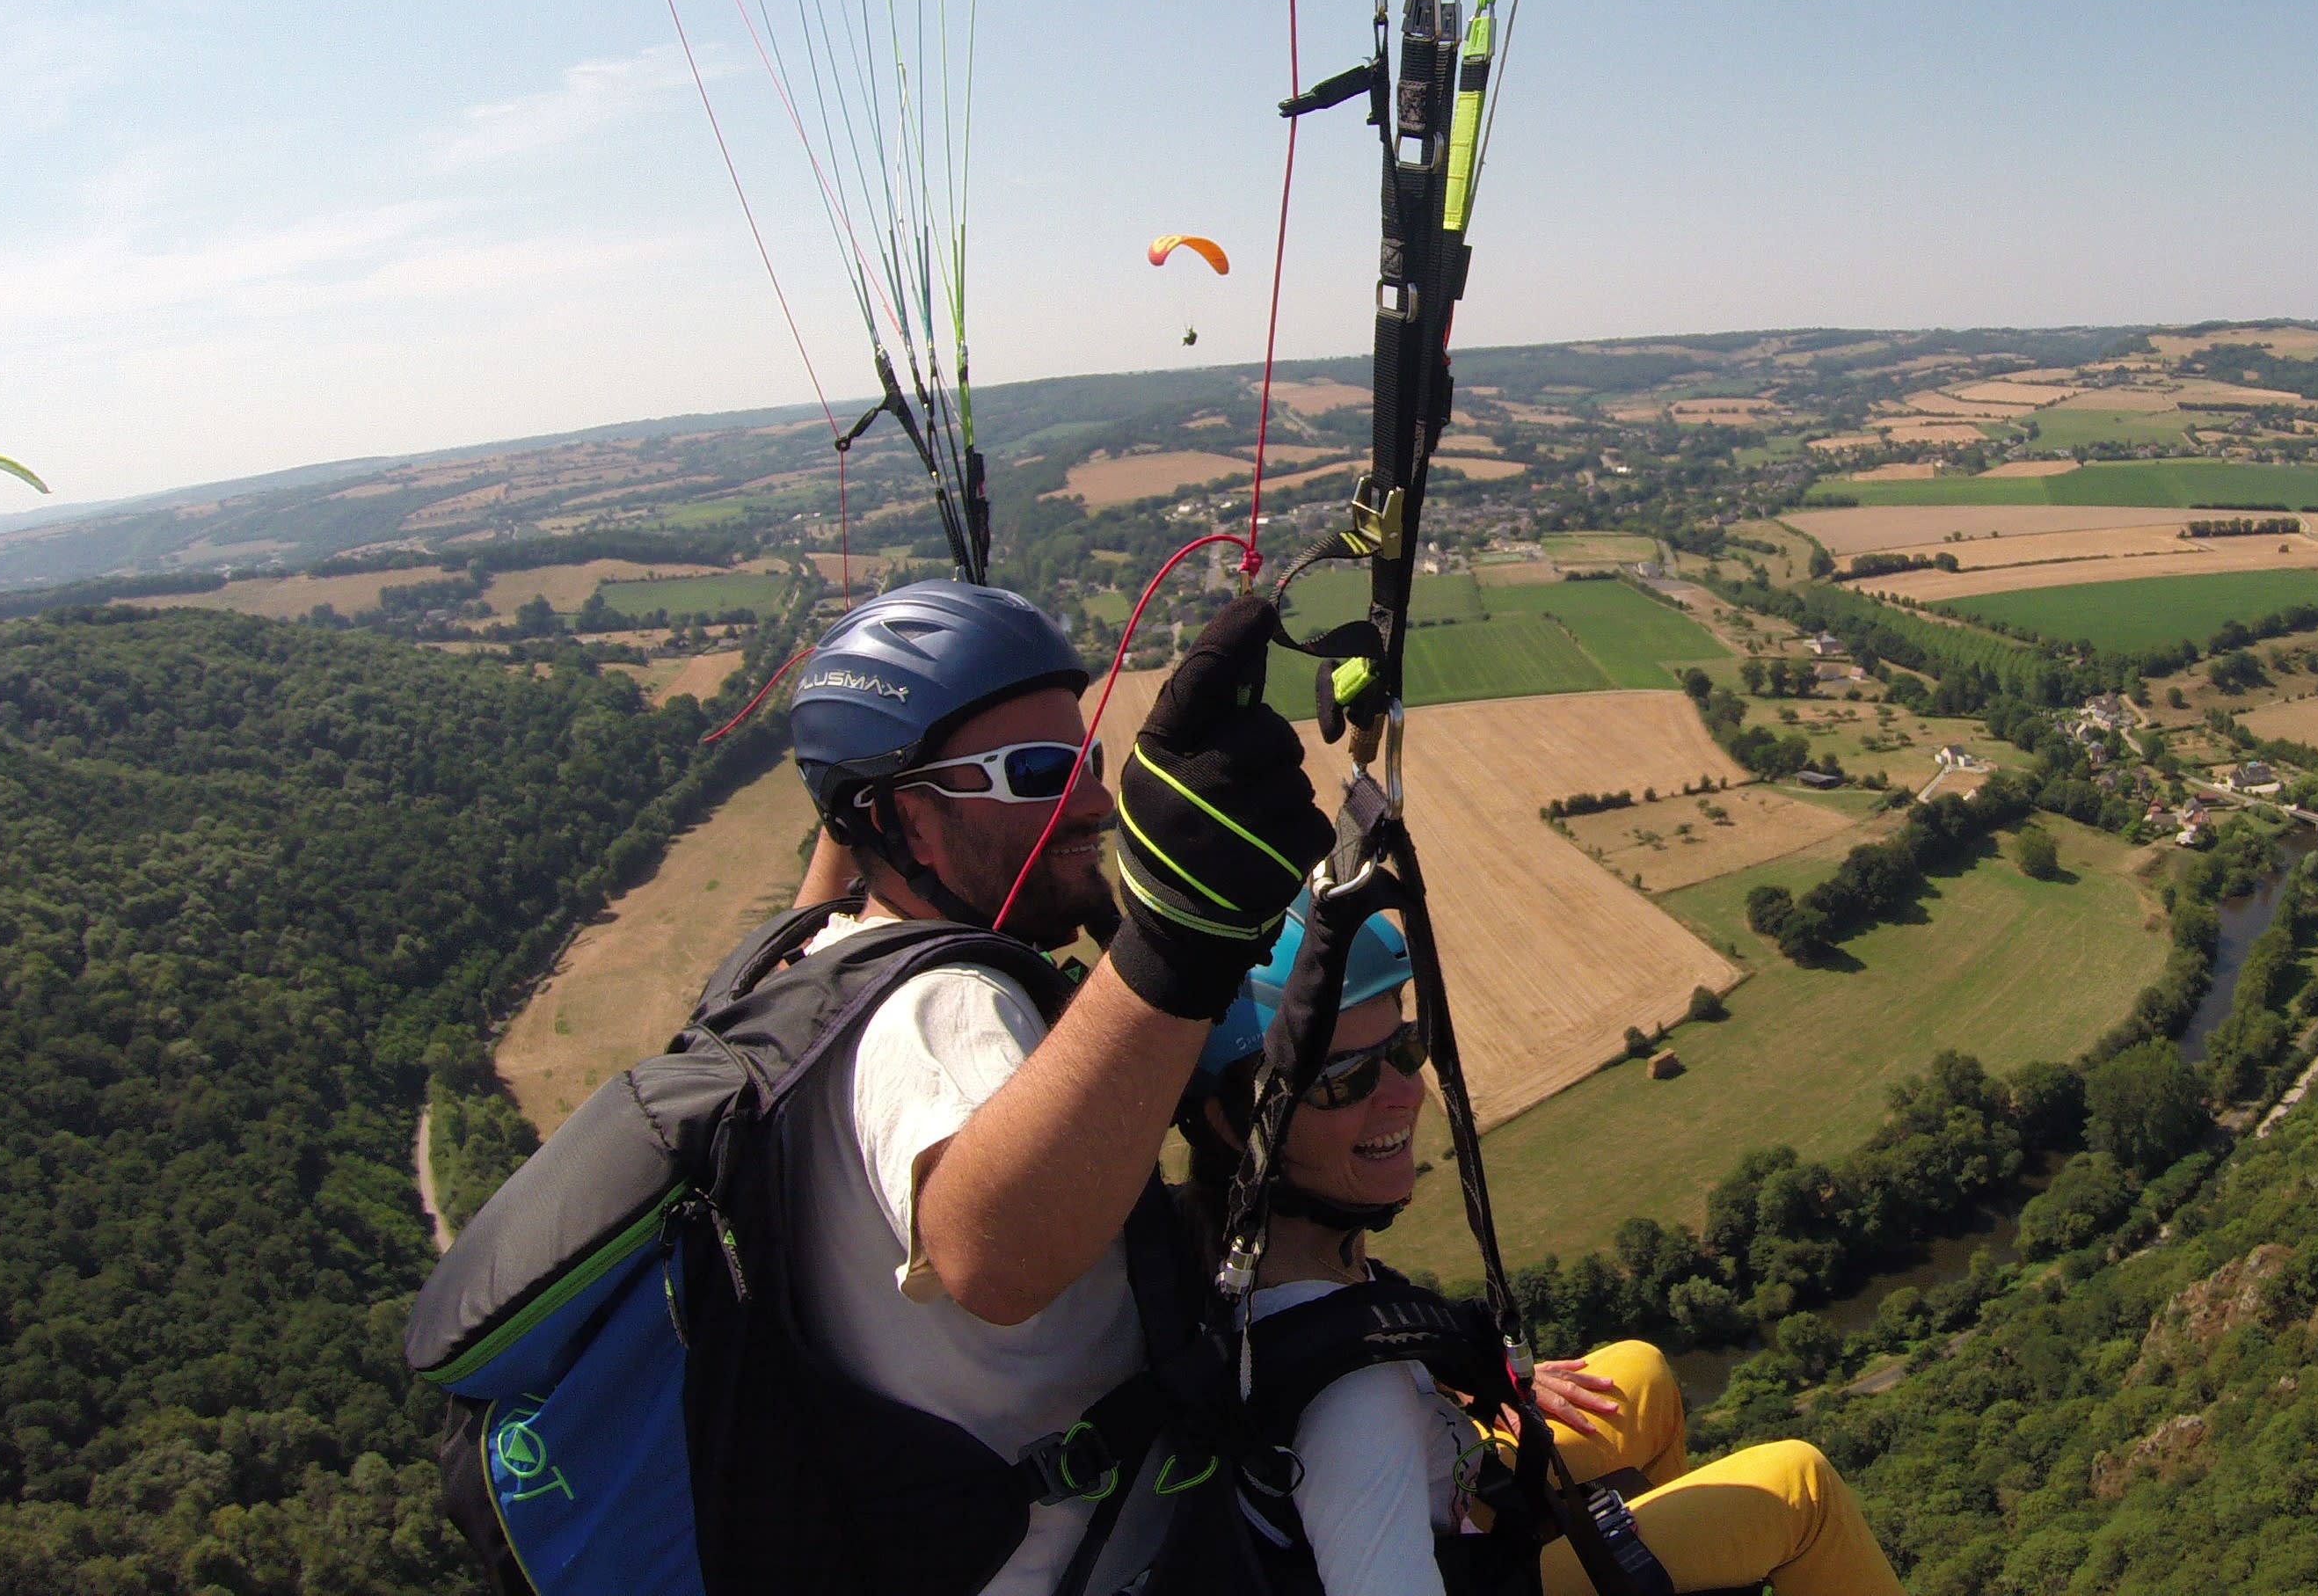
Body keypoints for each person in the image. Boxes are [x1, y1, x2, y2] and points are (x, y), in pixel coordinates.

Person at [778, 583, 1333, 1594]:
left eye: (1085, 759)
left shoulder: (810, 961)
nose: (1091, 802)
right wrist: (1179, 943)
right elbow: (989, 1249)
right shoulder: (941, 1007)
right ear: (910, 821)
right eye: (1036, 772)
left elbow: (846, 832)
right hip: (1108, 1565)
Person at [1180, 906, 1908, 1596]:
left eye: (1403, 1049)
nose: (1407, 1094)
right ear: (1232, 1121)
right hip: (1457, 1554)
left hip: (1449, 1484)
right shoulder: (1354, 1409)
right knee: (1799, 1488)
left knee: (1641, 1381)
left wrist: (1455, 1385)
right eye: (1343, 1080)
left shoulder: (1225, 1242)